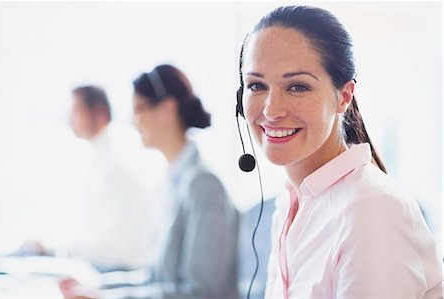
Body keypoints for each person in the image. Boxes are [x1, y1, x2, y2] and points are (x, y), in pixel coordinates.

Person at [237, 5, 443, 298]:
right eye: (257, 85)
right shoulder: (290, 204)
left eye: (297, 87)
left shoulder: (372, 209)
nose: (271, 110)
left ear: (343, 97)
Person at [59, 65, 239, 299]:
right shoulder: (171, 182)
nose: (134, 121)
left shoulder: (204, 186)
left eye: (139, 109)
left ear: (167, 109)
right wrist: (98, 288)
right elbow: (153, 278)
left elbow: (201, 293)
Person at [17, 85, 149, 272]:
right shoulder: (101, 162)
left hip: (116, 272)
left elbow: (116, 249)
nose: (69, 120)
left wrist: (51, 250)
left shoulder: (116, 168)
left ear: (99, 113)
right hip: (103, 269)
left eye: (75, 112)